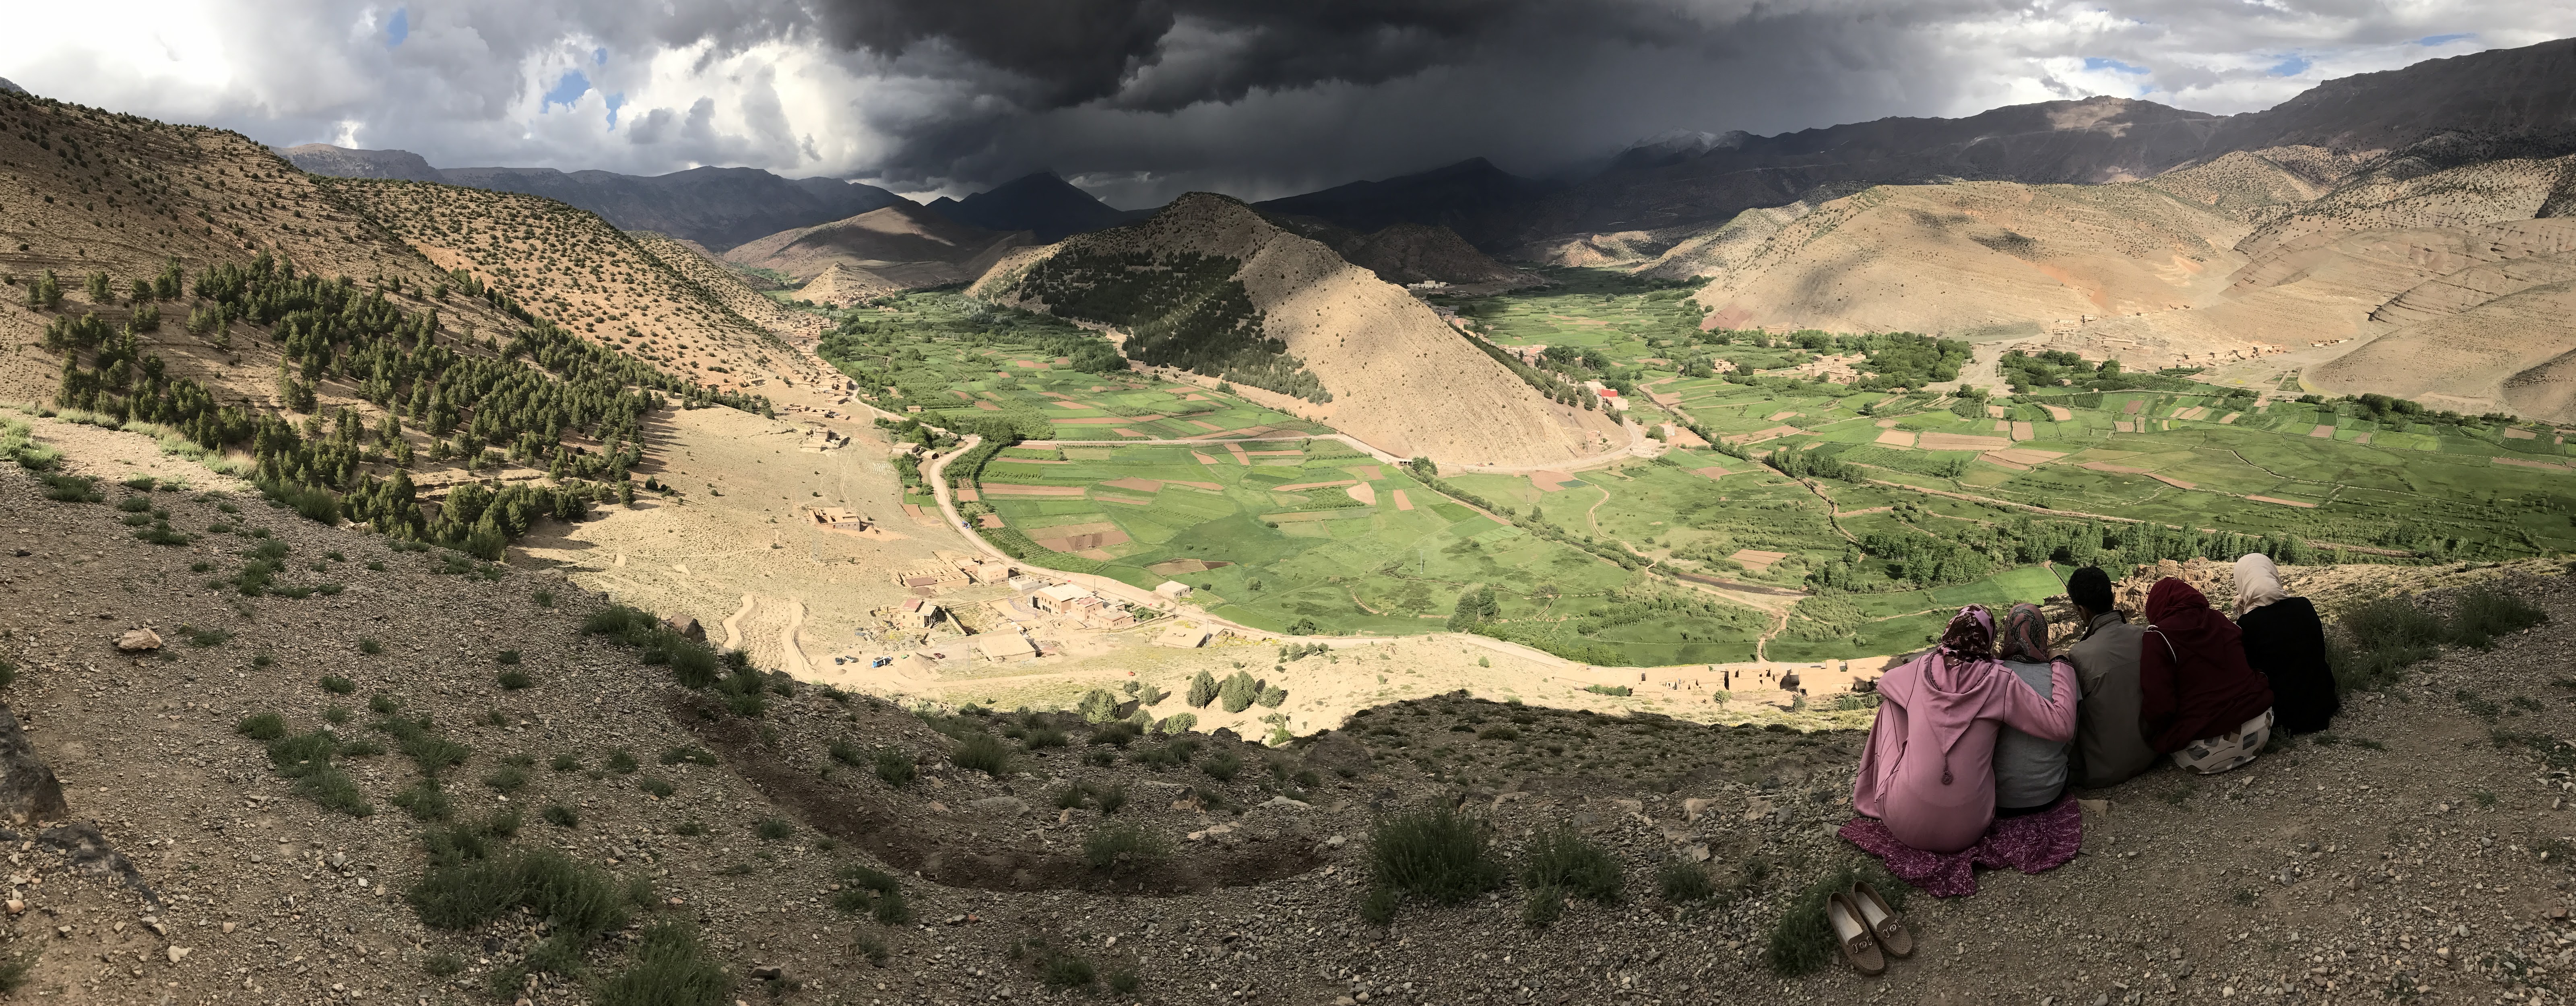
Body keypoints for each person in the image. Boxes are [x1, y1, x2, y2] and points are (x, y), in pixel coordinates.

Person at [1852, 606, 2078, 854]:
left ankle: (1874, 791)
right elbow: (2061, 726)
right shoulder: (2000, 680)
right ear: (1989, 641)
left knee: (1892, 706)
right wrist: (2061, 664)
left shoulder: (1920, 670)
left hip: (1902, 821)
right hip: (1971, 827)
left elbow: (1884, 683)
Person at [2140, 577, 2277, 774]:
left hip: (2205, 753)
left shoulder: (2158, 637)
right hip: (2261, 727)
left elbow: (2160, 707)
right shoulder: (2220, 619)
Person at [2061, 566, 2157, 788]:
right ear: (2113, 597)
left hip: (2105, 771)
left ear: (2082, 610)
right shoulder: (2145, 636)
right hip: (2153, 753)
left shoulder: (2079, 656)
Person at [2231, 553, 2341, 734]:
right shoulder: (2304, 606)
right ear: (2273, 574)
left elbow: (2250, 670)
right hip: (2322, 701)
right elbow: (2319, 652)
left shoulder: (2248, 624)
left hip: (2282, 715)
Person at [1991, 603, 2079, 815]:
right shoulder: (2063, 677)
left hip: (1994, 796)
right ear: (2043, 634)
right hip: (2049, 793)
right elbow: (2071, 741)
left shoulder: (1989, 676)